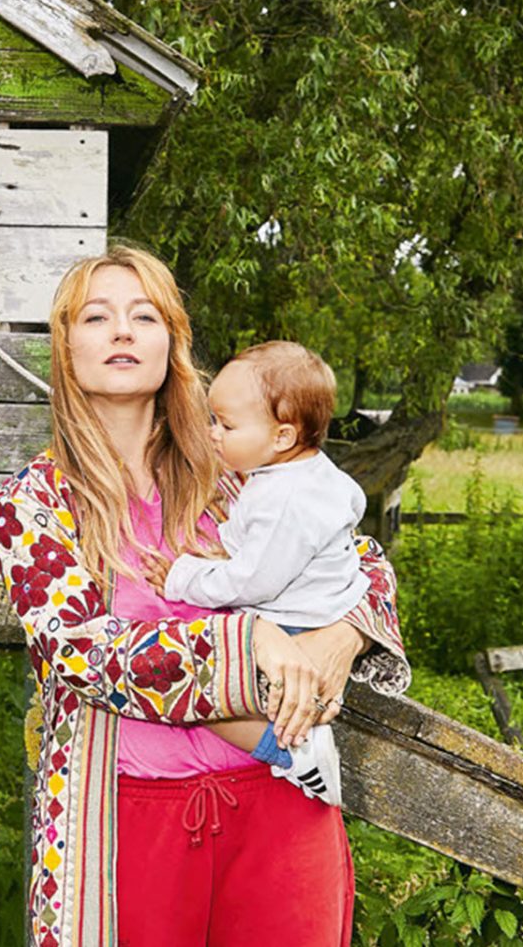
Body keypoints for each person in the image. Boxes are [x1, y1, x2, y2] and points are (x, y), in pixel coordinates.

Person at [0, 246, 413, 946]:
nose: (122, 331)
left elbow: (361, 559)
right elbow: (84, 653)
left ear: (171, 342)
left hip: (282, 802)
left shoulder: (238, 471)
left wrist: (342, 637)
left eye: (143, 315)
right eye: (97, 316)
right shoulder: (32, 505)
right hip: (129, 817)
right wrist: (252, 644)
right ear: (66, 348)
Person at [146, 340, 371, 807]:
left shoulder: (283, 499)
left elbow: (253, 581)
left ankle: (292, 751)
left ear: (282, 437)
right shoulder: (299, 476)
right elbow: (253, 543)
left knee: (198, 684)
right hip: (317, 607)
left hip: (295, 622)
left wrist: (181, 575)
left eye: (226, 425)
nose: (213, 433)